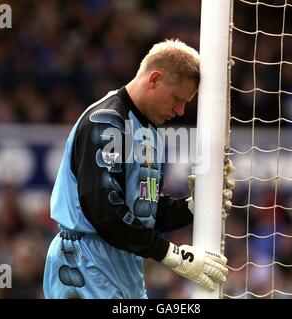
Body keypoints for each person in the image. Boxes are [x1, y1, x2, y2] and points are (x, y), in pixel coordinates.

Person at [43, 39, 232, 299]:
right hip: (84, 265)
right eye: (178, 99)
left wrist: (192, 208)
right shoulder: (106, 123)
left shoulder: (149, 130)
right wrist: (175, 256)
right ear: (154, 79)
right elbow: (106, 214)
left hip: (123, 268)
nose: (180, 110)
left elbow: (143, 211)